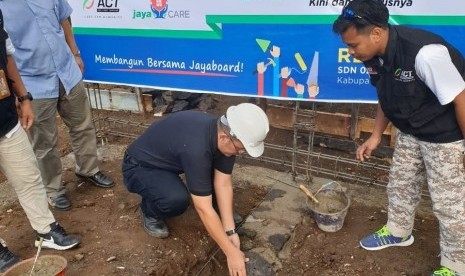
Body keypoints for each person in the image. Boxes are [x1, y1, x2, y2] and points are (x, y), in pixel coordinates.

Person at [333, 0, 465, 275]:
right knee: (400, 185)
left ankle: (456, 264)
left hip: (445, 137)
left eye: (354, 45)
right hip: (410, 130)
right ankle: (398, 231)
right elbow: (386, 94)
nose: (351, 52)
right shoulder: (373, 56)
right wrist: (377, 134)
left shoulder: (425, 54)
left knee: (449, 205)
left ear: (377, 33)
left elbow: (461, 99)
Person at [122, 103, 269, 276]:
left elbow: (223, 183)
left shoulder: (223, 134)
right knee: (175, 199)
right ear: (225, 138)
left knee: (212, 178)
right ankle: (149, 211)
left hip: (171, 160)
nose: (241, 153)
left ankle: (216, 214)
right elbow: (203, 207)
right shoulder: (197, 148)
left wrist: (229, 230)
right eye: (241, 149)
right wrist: (230, 252)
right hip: (140, 166)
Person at [0, 0, 114, 211]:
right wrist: (18, 93)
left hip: (67, 72)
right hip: (33, 83)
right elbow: (5, 55)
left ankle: (88, 169)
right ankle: (53, 190)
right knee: (44, 143)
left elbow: (63, 18)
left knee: (83, 125)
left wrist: (75, 53)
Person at [0, 9, 80, 273]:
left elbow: (7, 54)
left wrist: (23, 98)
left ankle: (45, 231)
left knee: (29, 176)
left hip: (5, 118)